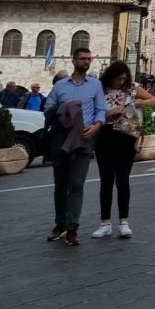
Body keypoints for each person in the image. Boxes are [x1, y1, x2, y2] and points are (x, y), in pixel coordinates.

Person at [42, 45, 104, 247]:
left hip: (84, 140)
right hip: (62, 139)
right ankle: (60, 225)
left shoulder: (95, 85)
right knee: (60, 186)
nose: (87, 61)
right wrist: (64, 110)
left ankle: (73, 228)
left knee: (76, 185)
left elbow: (101, 110)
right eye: (83, 59)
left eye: (89, 59)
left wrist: (96, 126)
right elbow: (48, 108)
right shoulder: (60, 86)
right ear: (74, 61)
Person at [91, 61, 155, 240]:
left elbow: (154, 100)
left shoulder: (132, 88)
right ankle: (105, 223)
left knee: (123, 180)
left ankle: (124, 222)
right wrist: (109, 113)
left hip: (126, 136)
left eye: (124, 78)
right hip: (105, 135)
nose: (121, 82)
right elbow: (91, 111)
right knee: (106, 182)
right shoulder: (100, 89)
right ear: (110, 76)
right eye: (118, 78)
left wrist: (141, 102)